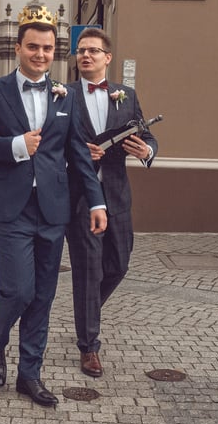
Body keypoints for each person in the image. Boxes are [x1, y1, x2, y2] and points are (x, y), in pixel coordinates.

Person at [0, 4, 107, 408]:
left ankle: (30, 374)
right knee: (17, 289)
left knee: (43, 295)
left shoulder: (67, 95)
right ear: (18, 47)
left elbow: (78, 153)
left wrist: (96, 201)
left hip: (52, 208)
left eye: (47, 48)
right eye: (33, 47)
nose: (41, 54)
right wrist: (14, 145)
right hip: (8, 207)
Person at [65, 28, 157, 378]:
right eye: (81, 50)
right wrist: (74, 155)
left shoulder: (126, 96)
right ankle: (89, 346)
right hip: (80, 198)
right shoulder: (63, 95)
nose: (85, 55)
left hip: (117, 195)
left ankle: (87, 310)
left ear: (107, 57)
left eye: (93, 50)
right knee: (88, 271)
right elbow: (51, 142)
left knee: (119, 265)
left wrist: (146, 150)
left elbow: (147, 135)